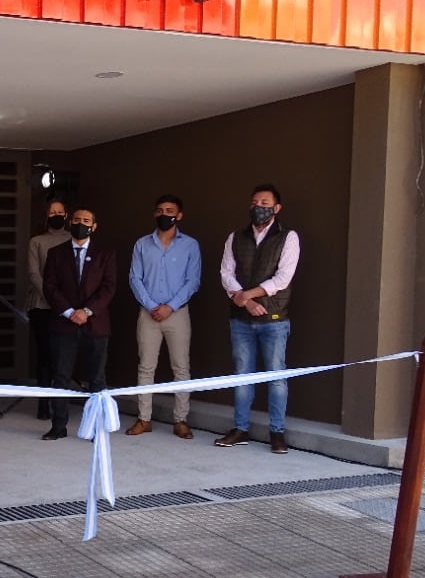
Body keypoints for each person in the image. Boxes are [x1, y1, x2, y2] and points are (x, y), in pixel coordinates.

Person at [214, 184, 300, 455]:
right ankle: (240, 429)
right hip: (241, 318)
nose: (258, 206)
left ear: (276, 208)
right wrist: (244, 301)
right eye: (254, 202)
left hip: (274, 318)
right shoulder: (235, 237)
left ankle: (277, 432)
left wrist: (247, 295)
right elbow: (226, 273)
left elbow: (283, 278)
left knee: (276, 376)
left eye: (265, 202)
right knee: (242, 376)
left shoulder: (288, 237)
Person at [126, 195, 201, 439]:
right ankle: (144, 419)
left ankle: (180, 420)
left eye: (169, 210)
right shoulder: (142, 244)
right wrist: (151, 305)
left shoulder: (190, 245)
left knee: (181, 368)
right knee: (146, 367)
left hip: (177, 314)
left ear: (179, 215)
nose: (164, 214)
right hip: (148, 314)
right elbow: (135, 278)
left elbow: (193, 281)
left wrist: (170, 307)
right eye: (159, 210)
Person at [41, 207, 116, 441]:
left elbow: (109, 287)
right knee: (61, 377)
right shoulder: (56, 253)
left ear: (94, 226)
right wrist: (69, 311)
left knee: (97, 378)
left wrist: (87, 311)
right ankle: (59, 425)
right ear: (69, 222)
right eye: (76, 220)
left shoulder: (105, 254)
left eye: (86, 221)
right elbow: (50, 287)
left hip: (95, 323)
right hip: (65, 323)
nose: (80, 224)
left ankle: (96, 427)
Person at [27, 200, 70, 419]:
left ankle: (61, 403)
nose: (56, 215)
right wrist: (54, 299)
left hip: (68, 309)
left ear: (66, 214)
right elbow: (34, 274)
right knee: (44, 357)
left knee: (62, 357)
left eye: (59, 212)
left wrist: (65, 304)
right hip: (42, 306)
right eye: (52, 212)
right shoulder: (37, 241)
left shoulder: (74, 239)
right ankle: (43, 403)